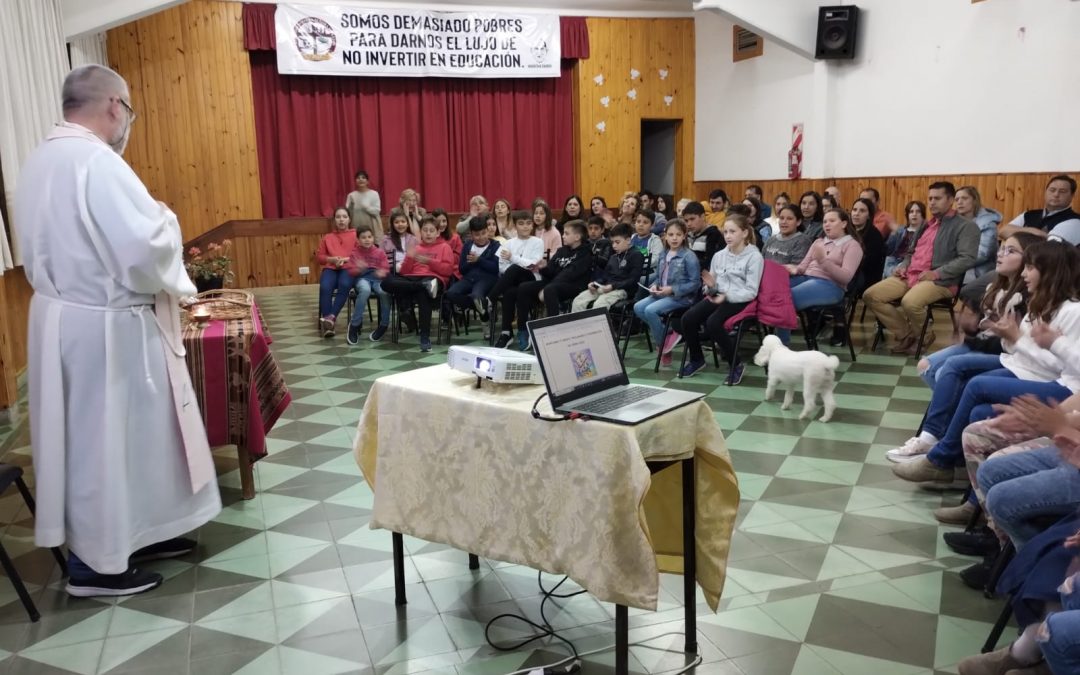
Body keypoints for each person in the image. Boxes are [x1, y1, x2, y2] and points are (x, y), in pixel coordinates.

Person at [14, 64, 221, 597]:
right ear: (114, 106)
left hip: (68, 320)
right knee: (103, 444)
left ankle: (134, 534)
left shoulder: (40, 158)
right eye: (128, 111)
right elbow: (143, 248)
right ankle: (97, 566)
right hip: (103, 328)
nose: (127, 122)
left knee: (121, 440)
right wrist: (168, 219)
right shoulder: (95, 161)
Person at [889, 241, 1080, 477]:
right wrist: (1009, 336)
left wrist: (1018, 339)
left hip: (1056, 384)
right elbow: (1025, 350)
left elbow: (1058, 367)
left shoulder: (1072, 311)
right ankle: (949, 460)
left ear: (1050, 271)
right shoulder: (1039, 303)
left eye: (1030, 268)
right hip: (1022, 366)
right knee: (970, 396)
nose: (1023, 273)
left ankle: (940, 458)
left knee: (975, 383)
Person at [862, 181, 980, 355]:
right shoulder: (926, 224)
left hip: (942, 281)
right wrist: (903, 266)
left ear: (950, 200)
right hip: (911, 275)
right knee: (871, 295)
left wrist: (937, 273)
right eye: (930, 198)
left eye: (937, 198)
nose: (932, 202)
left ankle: (924, 337)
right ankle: (906, 335)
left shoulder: (966, 226)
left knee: (910, 302)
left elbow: (967, 259)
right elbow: (910, 252)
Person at [677, 214, 763, 384]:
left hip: (739, 299)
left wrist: (726, 295)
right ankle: (697, 359)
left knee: (713, 322)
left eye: (733, 231)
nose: (728, 236)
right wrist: (709, 288)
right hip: (718, 295)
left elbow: (751, 291)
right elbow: (712, 283)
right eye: (726, 232)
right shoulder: (719, 256)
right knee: (688, 318)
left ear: (745, 233)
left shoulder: (754, 257)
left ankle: (736, 364)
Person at [773, 208, 864, 345]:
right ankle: (771, 341)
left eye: (832, 221)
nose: (827, 224)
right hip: (807, 278)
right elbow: (803, 267)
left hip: (831, 285)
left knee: (785, 297)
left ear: (844, 224)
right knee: (773, 290)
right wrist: (792, 269)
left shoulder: (852, 245)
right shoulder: (818, 242)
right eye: (825, 221)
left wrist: (823, 261)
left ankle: (781, 346)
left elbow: (846, 277)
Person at [513, 220, 594, 349]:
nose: (563, 236)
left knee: (550, 289)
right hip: (554, 284)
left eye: (567, 233)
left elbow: (571, 275)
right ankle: (523, 330)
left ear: (577, 237)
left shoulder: (586, 253)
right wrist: (543, 268)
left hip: (574, 286)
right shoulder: (562, 251)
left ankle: (554, 332)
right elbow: (551, 271)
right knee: (524, 287)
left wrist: (545, 288)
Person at [382, 216, 456, 352]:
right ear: (420, 232)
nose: (428, 233)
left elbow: (448, 271)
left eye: (431, 231)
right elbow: (404, 272)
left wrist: (429, 262)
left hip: (433, 279)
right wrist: (410, 257)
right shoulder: (416, 247)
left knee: (423, 293)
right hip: (414, 279)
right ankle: (421, 286)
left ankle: (425, 337)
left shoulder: (444, 247)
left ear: (438, 233)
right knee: (386, 282)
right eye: (425, 230)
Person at [633, 219, 701, 367]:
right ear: (665, 236)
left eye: (678, 234)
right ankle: (669, 333)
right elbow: (659, 277)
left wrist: (673, 289)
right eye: (671, 234)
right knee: (638, 307)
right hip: (662, 294)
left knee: (650, 311)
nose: (674, 238)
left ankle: (663, 347)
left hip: (681, 298)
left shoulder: (689, 256)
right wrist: (654, 286)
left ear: (684, 236)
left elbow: (695, 283)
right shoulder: (664, 254)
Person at [490, 211, 545, 348]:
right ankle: (506, 333)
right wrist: (515, 262)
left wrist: (513, 258)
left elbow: (532, 264)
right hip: (514, 282)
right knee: (509, 292)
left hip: (532, 279)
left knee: (515, 268)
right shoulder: (508, 243)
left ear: (532, 225)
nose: (525, 227)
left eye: (528, 223)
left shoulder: (538, 242)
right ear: (515, 226)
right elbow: (501, 267)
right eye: (521, 224)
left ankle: (491, 298)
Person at [571, 223, 644, 312]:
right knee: (578, 300)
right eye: (612, 242)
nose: (614, 246)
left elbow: (633, 280)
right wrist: (595, 284)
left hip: (623, 290)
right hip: (607, 288)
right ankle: (580, 326)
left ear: (628, 240)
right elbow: (605, 277)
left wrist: (613, 286)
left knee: (599, 304)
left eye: (617, 242)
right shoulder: (613, 257)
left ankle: (598, 326)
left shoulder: (636, 255)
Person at [446, 216, 501, 322]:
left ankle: (483, 314)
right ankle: (483, 308)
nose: (481, 237)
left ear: (487, 231)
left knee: (476, 295)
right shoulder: (467, 246)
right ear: (471, 234)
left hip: (487, 279)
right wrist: (470, 263)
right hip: (469, 279)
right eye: (477, 235)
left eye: (483, 233)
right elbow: (462, 270)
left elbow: (496, 268)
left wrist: (479, 260)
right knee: (451, 293)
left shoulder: (495, 246)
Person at [316, 207, 359, 337]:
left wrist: (344, 260)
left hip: (348, 267)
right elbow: (320, 258)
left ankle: (330, 319)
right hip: (331, 268)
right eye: (338, 217)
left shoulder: (356, 234)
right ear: (334, 220)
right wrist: (332, 259)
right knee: (325, 287)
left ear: (349, 219)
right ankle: (328, 325)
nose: (341, 220)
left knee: (345, 284)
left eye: (344, 217)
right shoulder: (328, 237)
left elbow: (361, 255)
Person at [345, 224, 391, 344]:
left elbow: (386, 268)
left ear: (373, 238)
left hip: (377, 279)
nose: (367, 240)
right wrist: (359, 269)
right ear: (358, 240)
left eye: (369, 237)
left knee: (384, 292)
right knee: (364, 290)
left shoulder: (380, 252)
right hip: (362, 278)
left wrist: (382, 272)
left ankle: (384, 325)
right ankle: (354, 325)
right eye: (363, 237)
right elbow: (350, 271)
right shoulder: (355, 253)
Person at [1000, 174, 1080, 243]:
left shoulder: (1075, 220)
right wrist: (1035, 232)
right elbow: (1003, 231)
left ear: (1072, 196)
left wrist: (1019, 232)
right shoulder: (1029, 214)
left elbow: (1049, 246)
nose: (1056, 194)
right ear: (1045, 192)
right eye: (1052, 190)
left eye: (1062, 191)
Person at [954, 185, 1002, 281]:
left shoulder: (987, 223)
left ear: (974, 200)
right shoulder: (954, 223)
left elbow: (983, 254)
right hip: (956, 272)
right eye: (957, 199)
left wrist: (953, 263)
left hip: (978, 275)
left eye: (964, 198)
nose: (959, 202)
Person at [883, 201, 922, 279]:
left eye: (918, 212)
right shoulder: (901, 230)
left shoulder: (925, 232)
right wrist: (893, 234)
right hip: (893, 262)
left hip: (911, 263)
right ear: (907, 215)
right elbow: (888, 250)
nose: (914, 214)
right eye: (911, 212)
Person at [684, 201, 724, 269]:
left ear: (702, 217)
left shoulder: (713, 234)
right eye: (686, 220)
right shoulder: (687, 235)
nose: (689, 224)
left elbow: (711, 262)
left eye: (692, 219)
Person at [345, 169, 382, 241]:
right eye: (358, 178)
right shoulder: (351, 195)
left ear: (367, 181)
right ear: (355, 181)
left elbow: (377, 212)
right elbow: (348, 215)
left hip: (372, 227)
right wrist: (351, 206)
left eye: (363, 178)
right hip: (356, 227)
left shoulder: (374, 194)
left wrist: (367, 207)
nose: (360, 179)